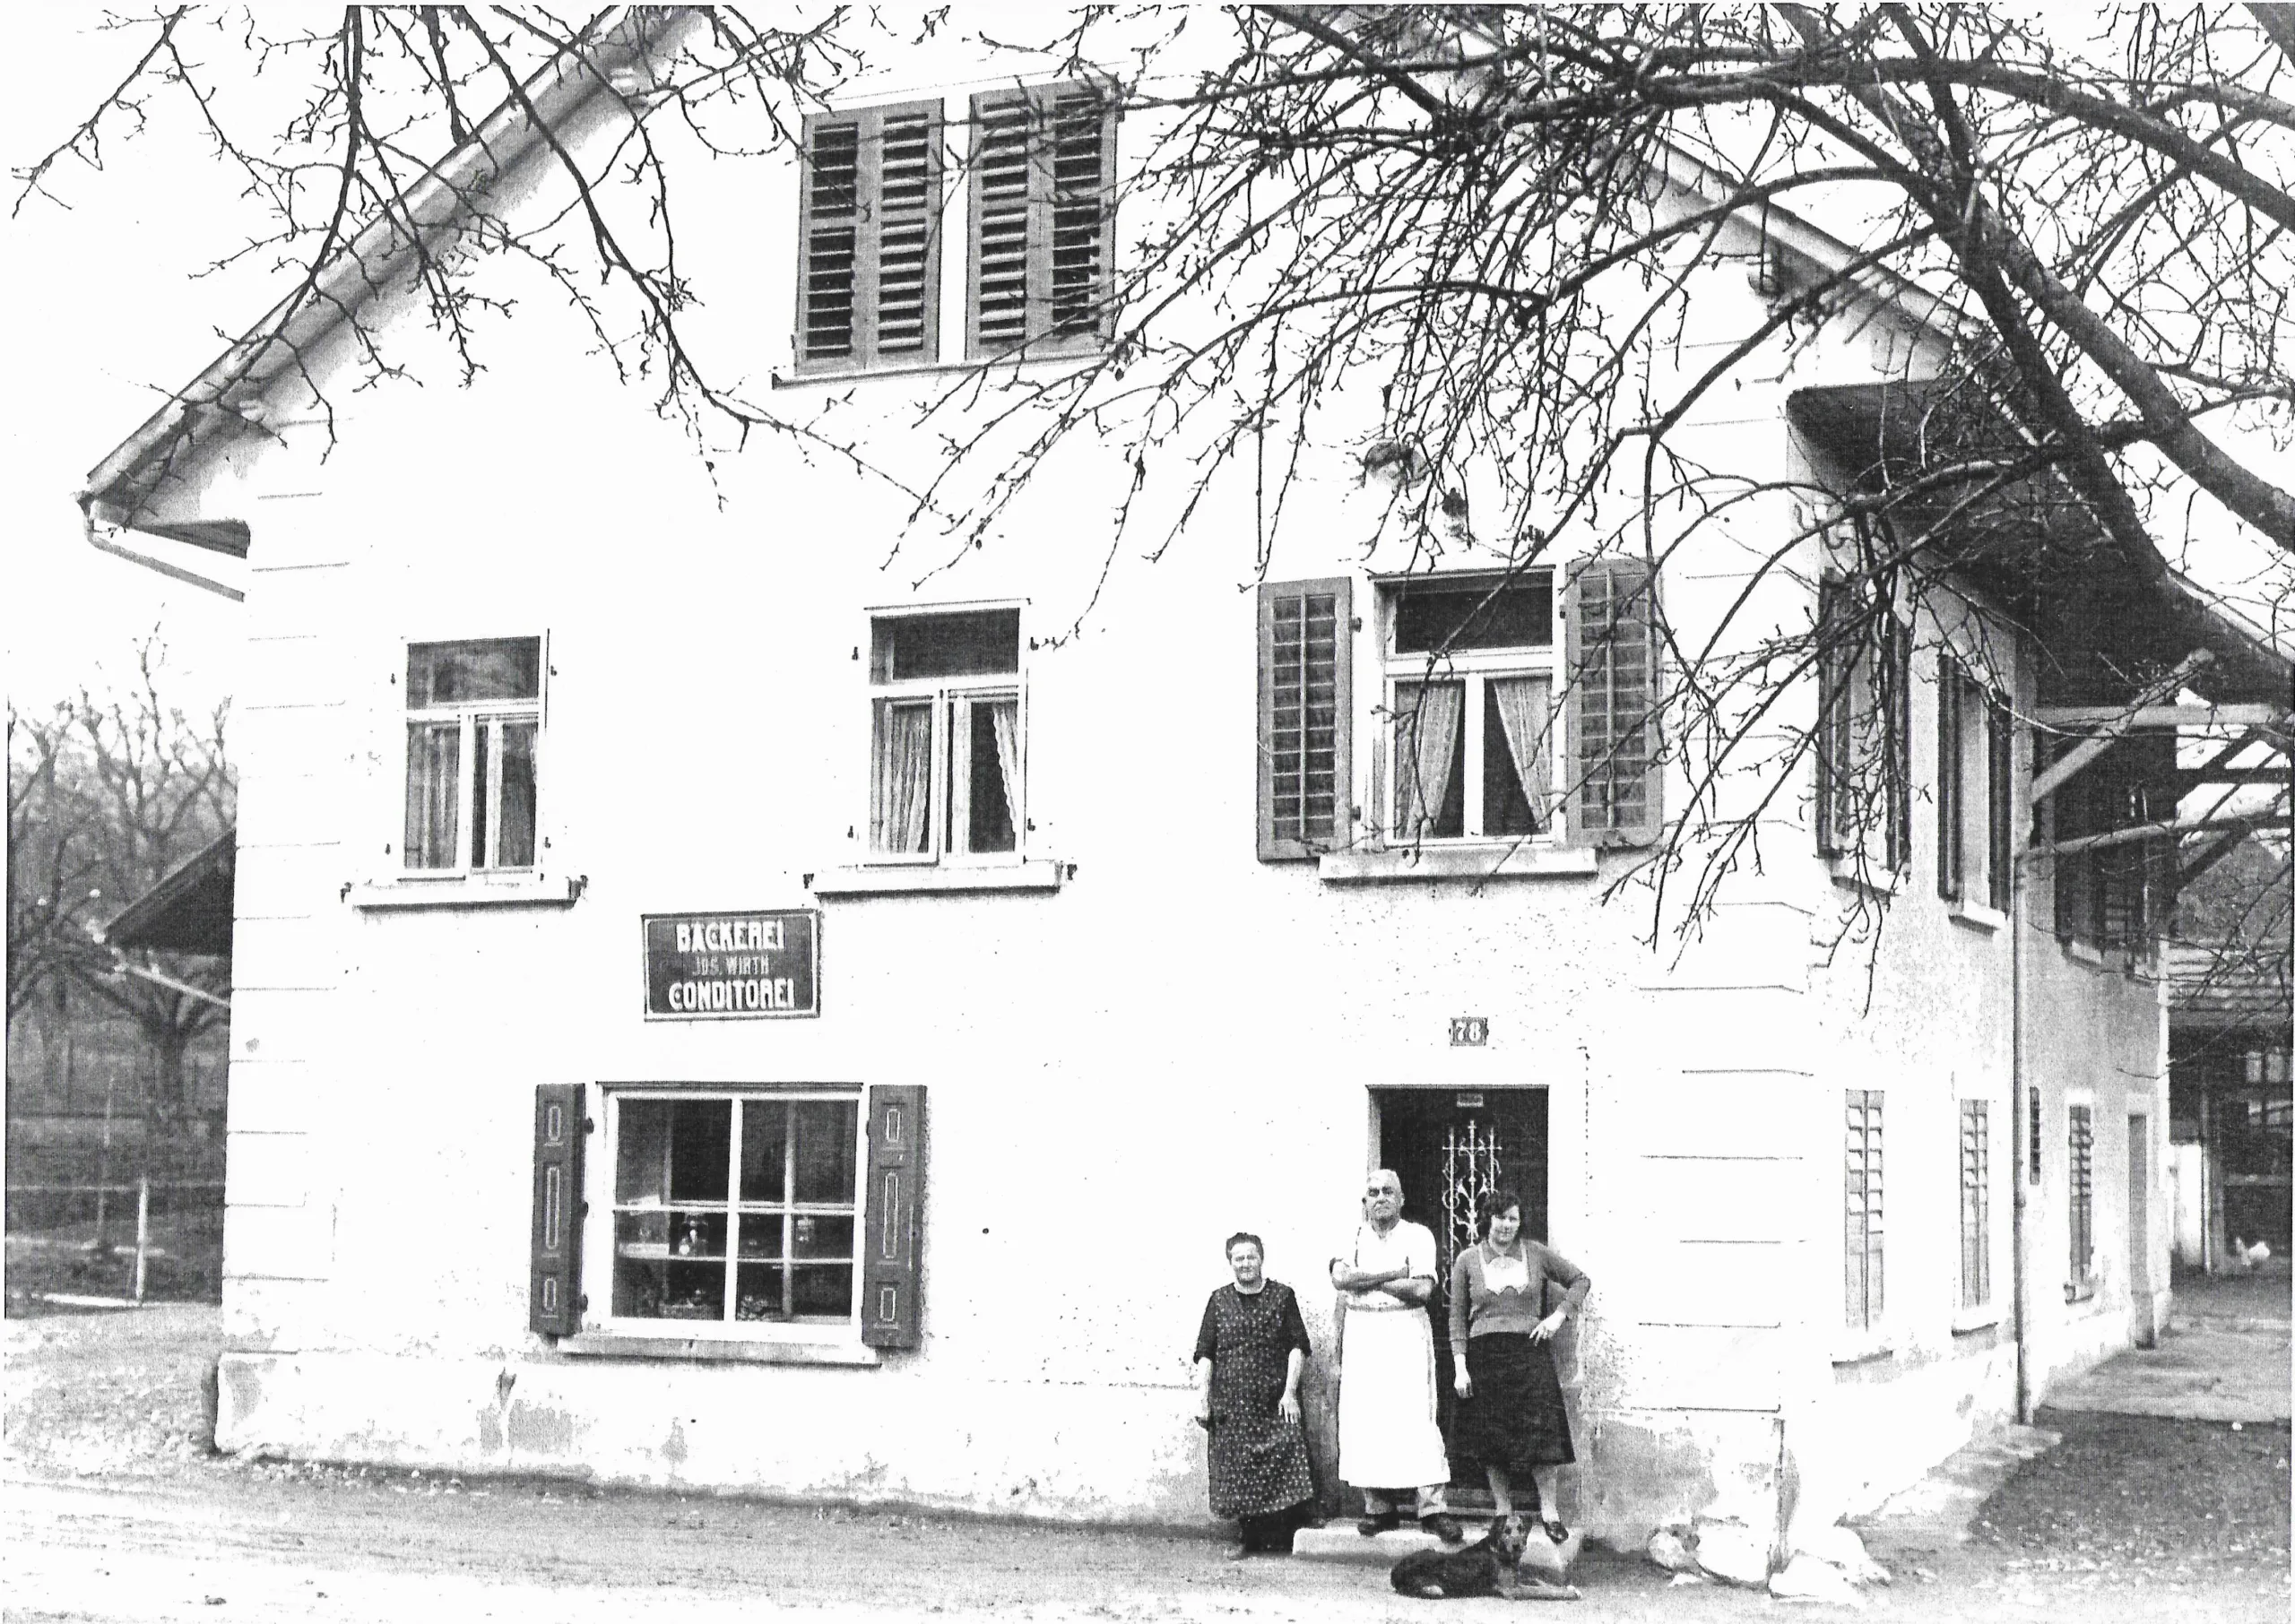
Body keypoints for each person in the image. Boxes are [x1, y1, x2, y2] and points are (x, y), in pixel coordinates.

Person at [1448, 1187, 1590, 1544]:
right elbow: (1457, 1318)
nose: (1506, 1225)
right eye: (1500, 1217)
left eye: (1513, 1218)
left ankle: (1549, 1512)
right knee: (1492, 1438)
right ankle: (1503, 1512)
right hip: (1485, 1357)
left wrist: (1558, 1317)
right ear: (1487, 1219)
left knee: (1542, 1436)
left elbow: (1580, 1280)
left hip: (1530, 1353)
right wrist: (1460, 1367)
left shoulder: (1536, 1253)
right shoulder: (1467, 1260)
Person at [1330, 1170, 1462, 1543]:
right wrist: (1394, 1274)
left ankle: (1432, 1509)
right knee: (1365, 1418)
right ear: (1364, 1202)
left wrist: (1365, 1278)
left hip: (1405, 1331)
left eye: (1388, 1191)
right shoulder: (1351, 1237)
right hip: (1361, 1332)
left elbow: (1421, 1290)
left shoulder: (1418, 1235)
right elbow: (1341, 1281)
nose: (1380, 1198)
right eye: (1373, 1192)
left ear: (1401, 1199)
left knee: (1416, 1417)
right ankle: (1379, 1508)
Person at [1193, 1231, 1318, 1559]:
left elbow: (1297, 1346)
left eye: (1251, 1257)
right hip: (1232, 1404)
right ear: (1230, 1263)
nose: (1245, 1263)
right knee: (1238, 1468)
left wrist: (1289, 1393)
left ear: (1262, 1259)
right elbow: (1205, 1353)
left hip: (1274, 1400)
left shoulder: (1282, 1296)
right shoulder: (1219, 1300)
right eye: (1239, 1258)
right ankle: (1247, 1538)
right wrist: (1203, 1398)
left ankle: (1286, 1536)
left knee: (1288, 1452)